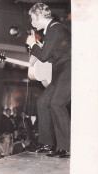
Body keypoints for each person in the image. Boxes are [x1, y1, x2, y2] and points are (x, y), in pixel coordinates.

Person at [26, 3, 71, 158]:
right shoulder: (52, 30)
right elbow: (50, 57)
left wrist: (33, 45)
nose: (32, 22)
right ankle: (47, 144)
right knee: (43, 102)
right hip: (60, 72)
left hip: (69, 71)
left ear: (39, 16)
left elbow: (45, 56)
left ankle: (65, 147)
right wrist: (37, 48)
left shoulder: (55, 29)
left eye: (33, 18)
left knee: (56, 103)